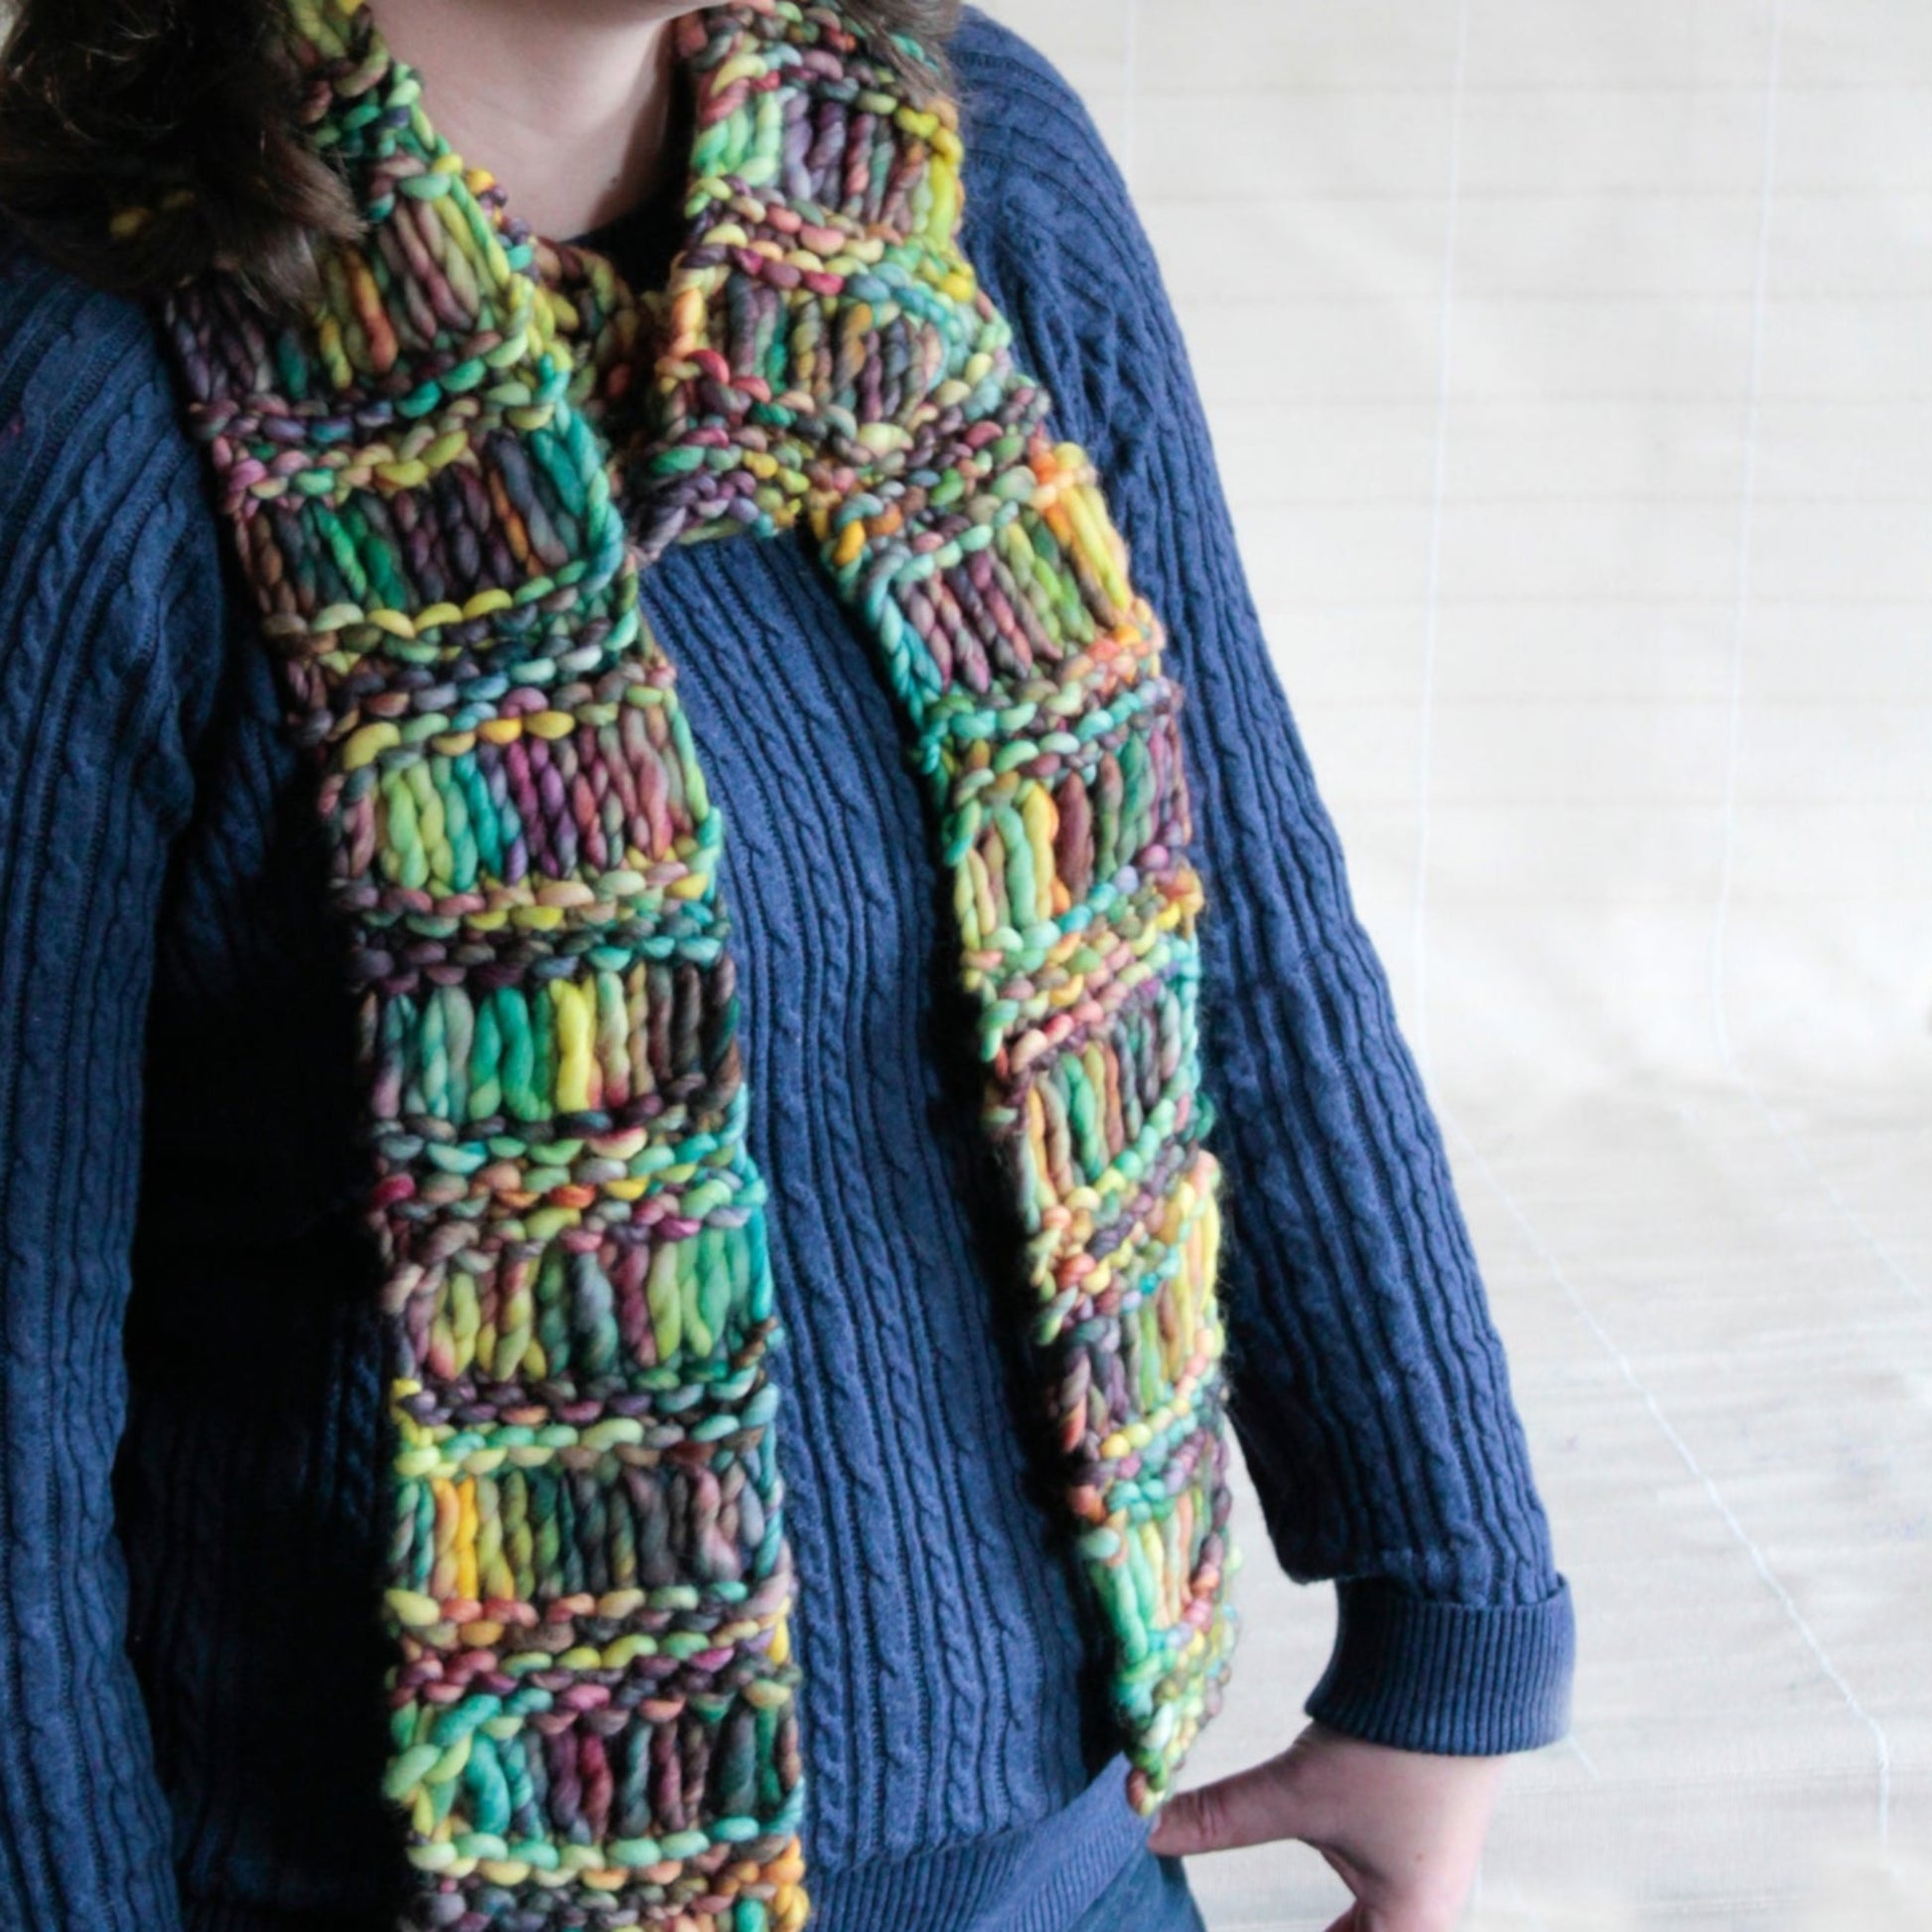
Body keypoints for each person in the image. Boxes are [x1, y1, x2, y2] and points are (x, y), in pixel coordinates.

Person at [0, 3, 1575, 1929]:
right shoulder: (72, 374)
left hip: (1071, 1859)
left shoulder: (962, 168)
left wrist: (1450, 1611)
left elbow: (1223, 889)